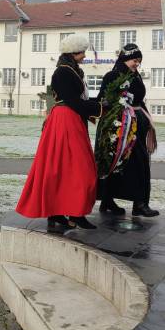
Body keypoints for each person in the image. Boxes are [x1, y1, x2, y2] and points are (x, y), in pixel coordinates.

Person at [16, 35, 103, 231]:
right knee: (70, 168)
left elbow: (78, 100)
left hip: (72, 120)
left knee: (71, 169)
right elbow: (73, 100)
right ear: (74, 53)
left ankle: (73, 214)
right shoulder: (63, 73)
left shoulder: (72, 70)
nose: (85, 55)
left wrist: (97, 104)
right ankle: (60, 214)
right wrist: (99, 108)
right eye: (83, 52)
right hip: (65, 120)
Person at [95, 43, 159, 218]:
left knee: (140, 164)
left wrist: (146, 118)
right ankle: (107, 200)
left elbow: (139, 100)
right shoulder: (112, 76)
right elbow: (104, 99)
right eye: (134, 60)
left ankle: (140, 203)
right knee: (114, 163)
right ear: (124, 59)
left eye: (139, 61)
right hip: (118, 128)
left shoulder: (135, 77)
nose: (137, 64)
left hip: (135, 128)